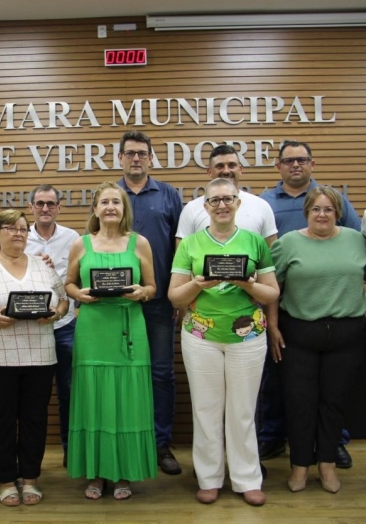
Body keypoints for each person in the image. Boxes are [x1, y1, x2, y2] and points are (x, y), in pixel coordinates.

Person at [168, 178, 279, 506]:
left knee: (243, 410)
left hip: (248, 338)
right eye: (214, 200)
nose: (221, 205)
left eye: (227, 199)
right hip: (201, 337)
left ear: (238, 203)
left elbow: (272, 292)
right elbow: (175, 296)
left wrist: (247, 285)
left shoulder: (255, 242)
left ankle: (247, 478)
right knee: (206, 409)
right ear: (204, 206)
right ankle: (210, 477)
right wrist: (200, 284)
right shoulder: (189, 244)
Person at [0, 210, 69, 507]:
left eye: (22, 229)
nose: (18, 233)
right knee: (1, 420)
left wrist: (56, 314)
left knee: (35, 419)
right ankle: (6, 480)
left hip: (40, 357)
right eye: (10, 228)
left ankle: (30, 479)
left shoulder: (43, 266)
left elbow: (63, 299)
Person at [259, 140, 361, 468]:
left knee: (334, 391)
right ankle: (277, 439)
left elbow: (356, 254)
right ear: (279, 166)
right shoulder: (265, 203)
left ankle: (334, 444)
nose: (296, 165)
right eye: (289, 161)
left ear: (312, 163)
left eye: (302, 159)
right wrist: (272, 322)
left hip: (340, 319)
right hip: (294, 315)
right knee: (286, 388)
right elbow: (269, 272)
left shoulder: (335, 200)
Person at [65, 182, 157, 500]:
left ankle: (123, 474)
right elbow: (69, 283)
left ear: (124, 209)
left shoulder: (140, 243)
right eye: (104, 202)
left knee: (127, 402)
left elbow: (152, 287)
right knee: (93, 399)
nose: (110, 207)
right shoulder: (81, 244)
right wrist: (78, 295)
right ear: (95, 209)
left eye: (116, 202)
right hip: (92, 329)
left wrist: (141, 293)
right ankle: (96, 473)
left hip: (129, 326)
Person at [117, 130, 183, 475]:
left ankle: (160, 445)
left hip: (158, 303)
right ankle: (127, 442)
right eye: (130, 153)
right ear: (121, 158)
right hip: (117, 304)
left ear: (151, 158)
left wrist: (177, 294)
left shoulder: (169, 195)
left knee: (160, 374)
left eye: (142, 153)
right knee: (123, 374)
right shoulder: (112, 196)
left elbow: (180, 249)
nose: (137, 158)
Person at [25, 184, 79, 467]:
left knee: (70, 392)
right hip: (29, 329)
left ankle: (71, 450)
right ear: (31, 207)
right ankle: (32, 458)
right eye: (39, 203)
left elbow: (80, 277)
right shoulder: (20, 236)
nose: (45, 208)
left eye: (50, 203)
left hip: (66, 326)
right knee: (35, 395)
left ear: (59, 207)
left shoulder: (73, 238)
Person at [176, 144, 277, 247]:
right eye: (219, 166)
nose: (226, 171)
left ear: (240, 170)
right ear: (209, 172)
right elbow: (181, 255)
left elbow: (271, 253)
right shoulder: (191, 209)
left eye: (231, 165)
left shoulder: (261, 206)